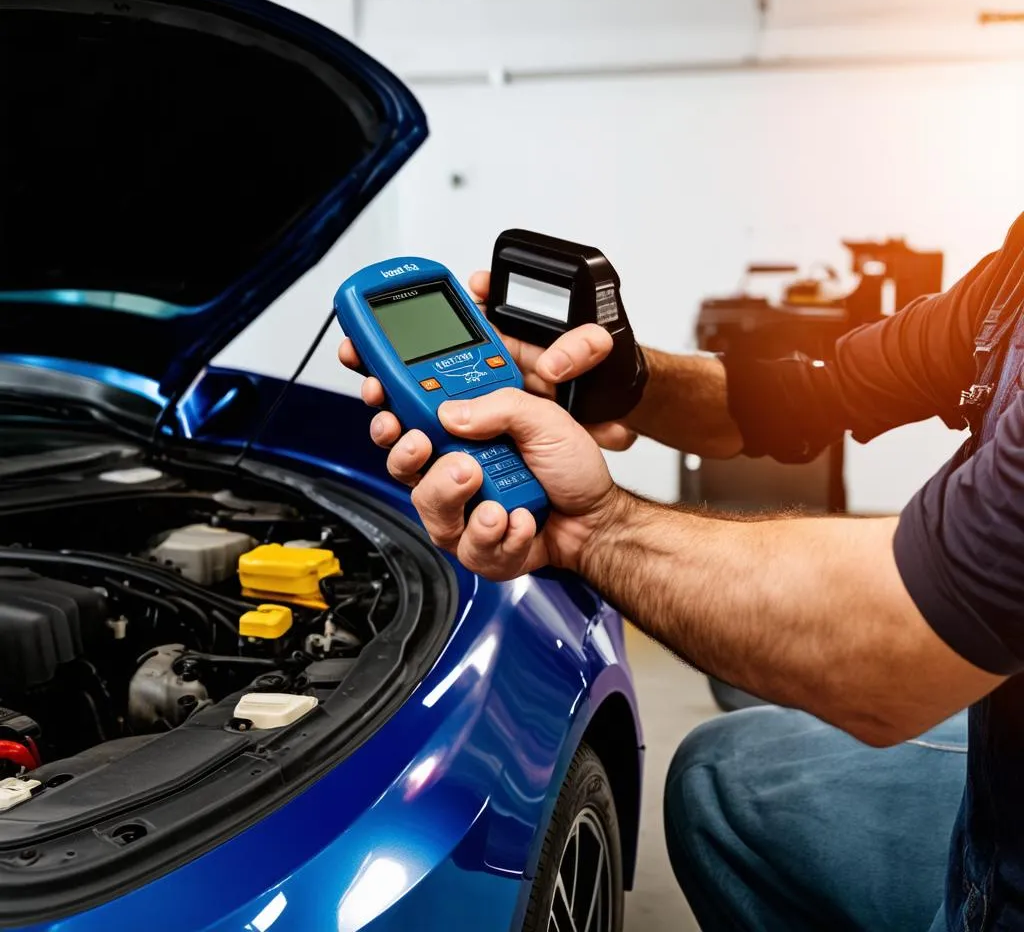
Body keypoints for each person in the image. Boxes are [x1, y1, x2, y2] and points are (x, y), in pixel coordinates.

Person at [338, 214, 1024, 932]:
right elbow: (819, 389)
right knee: (719, 776)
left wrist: (592, 529)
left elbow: (898, 655)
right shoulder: (1014, 272)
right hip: (993, 769)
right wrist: (627, 382)